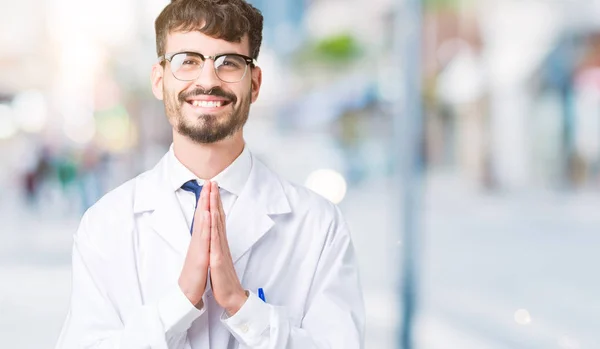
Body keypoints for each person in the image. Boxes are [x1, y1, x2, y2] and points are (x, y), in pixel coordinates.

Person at [55, 0, 365, 348]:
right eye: (187, 61)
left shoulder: (319, 226)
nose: (208, 80)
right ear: (159, 81)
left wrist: (243, 306)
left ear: (256, 83)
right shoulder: (104, 224)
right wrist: (179, 303)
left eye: (229, 62)